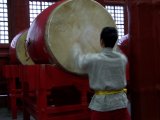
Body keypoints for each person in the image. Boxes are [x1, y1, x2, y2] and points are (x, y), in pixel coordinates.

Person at [73, 27, 131, 120]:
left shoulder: (94, 59)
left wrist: (76, 44)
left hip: (102, 106)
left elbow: (79, 62)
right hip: (120, 104)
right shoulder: (122, 59)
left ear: (101, 41)